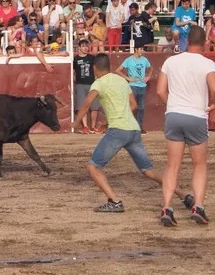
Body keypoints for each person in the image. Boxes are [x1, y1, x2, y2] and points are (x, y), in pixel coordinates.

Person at [74, 54, 194, 213]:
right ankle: (184, 195)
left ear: (94, 68)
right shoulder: (121, 80)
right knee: (148, 170)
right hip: (133, 129)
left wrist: (75, 123)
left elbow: (87, 103)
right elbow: (133, 104)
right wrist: (110, 121)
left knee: (93, 167)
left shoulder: (99, 83)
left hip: (118, 131)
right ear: (109, 66)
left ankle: (114, 201)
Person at [156, 26, 215, 227]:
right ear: (204, 42)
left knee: (172, 165)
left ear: (186, 41)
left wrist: (173, 105)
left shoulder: (171, 61)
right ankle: (198, 206)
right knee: (199, 164)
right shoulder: (207, 63)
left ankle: (167, 207)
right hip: (196, 115)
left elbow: (160, 91)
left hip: (174, 114)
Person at [116, 48, 152, 132]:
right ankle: (128, 126)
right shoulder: (129, 60)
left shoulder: (144, 59)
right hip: (132, 86)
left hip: (142, 86)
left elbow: (151, 68)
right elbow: (118, 70)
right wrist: (127, 78)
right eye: (140, 49)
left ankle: (139, 127)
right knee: (131, 106)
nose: (142, 51)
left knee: (141, 107)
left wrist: (148, 76)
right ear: (136, 49)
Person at [73, 40, 99, 134]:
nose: (85, 48)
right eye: (83, 46)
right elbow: (73, 71)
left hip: (92, 83)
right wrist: (74, 79)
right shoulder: (75, 59)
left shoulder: (92, 57)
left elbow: (96, 69)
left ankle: (93, 126)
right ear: (79, 47)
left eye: (86, 46)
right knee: (81, 106)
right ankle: (85, 127)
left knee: (94, 106)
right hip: (80, 84)